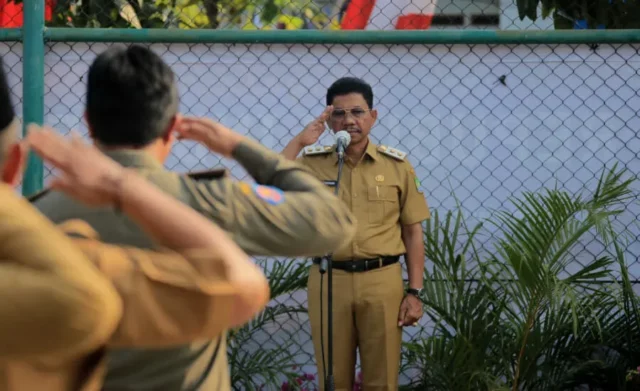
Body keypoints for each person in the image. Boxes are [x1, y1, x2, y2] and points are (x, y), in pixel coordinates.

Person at [32, 45, 356, 391]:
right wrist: (237, 146)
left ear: (88, 122)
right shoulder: (208, 201)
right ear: (173, 126)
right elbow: (334, 222)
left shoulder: (36, 215)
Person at [0, 55, 271, 390]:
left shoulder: (41, 223)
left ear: (88, 122)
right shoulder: (208, 207)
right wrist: (124, 189)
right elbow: (243, 286)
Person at [282, 76, 431, 390]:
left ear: (372, 117)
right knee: (333, 378)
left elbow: (412, 232)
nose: (349, 120)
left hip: (382, 280)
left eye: (357, 112)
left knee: (383, 377)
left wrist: (415, 292)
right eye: (339, 113)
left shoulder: (396, 166)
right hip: (328, 280)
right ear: (329, 119)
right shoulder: (312, 164)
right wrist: (299, 142)